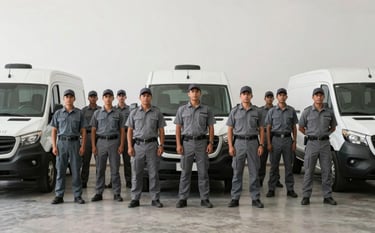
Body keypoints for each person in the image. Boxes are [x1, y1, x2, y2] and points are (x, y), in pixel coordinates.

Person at [175, 84, 216, 208]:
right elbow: (178, 128)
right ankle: (182, 198)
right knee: (185, 172)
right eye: (192, 91)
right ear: (188, 94)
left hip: (202, 143)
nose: (195, 93)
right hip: (187, 143)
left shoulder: (207, 110)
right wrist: (178, 144)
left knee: (203, 172)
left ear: (200, 94)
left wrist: (210, 142)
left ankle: (205, 199)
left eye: (197, 91)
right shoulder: (182, 110)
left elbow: (211, 128)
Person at [126, 87, 166, 208]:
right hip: (137, 146)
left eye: (148, 95)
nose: (146, 97)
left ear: (151, 97)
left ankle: (155, 198)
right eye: (143, 95)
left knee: (153, 173)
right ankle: (135, 198)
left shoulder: (157, 112)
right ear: (140, 97)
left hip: (152, 145)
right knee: (136, 173)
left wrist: (161, 145)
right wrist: (129, 146)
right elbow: (129, 131)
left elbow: (161, 130)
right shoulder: (134, 113)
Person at [227, 86, 265, 208]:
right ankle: (235, 198)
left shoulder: (257, 111)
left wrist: (261, 144)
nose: (246, 96)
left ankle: (255, 198)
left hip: (253, 143)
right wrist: (230, 146)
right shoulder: (234, 111)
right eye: (244, 94)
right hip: (238, 143)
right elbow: (230, 129)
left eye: (248, 94)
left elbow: (261, 130)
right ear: (240, 96)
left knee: (254, 171)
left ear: (251, 96)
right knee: (237, 171)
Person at [299, 88, 337, 205]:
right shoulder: (307, 112)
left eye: (321, 95)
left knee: (327, 171)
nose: (319, 97)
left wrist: (325, 135)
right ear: (313, 97)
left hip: (325, 144)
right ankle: (306, 196)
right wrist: (310, 135)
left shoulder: (329, 112)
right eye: (316, 95)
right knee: (309, 170)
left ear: (323, 97)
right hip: (312, 144)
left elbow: (333, 127)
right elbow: (301, 127)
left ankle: (327, 196)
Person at [50, 89, 86, 204]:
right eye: (66, 97)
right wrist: (54, 146)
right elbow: (54, 131)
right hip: (61, 144)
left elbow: (84, 131)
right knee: (60, 170)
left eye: (71, 97)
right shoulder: (58, 113)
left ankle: (77, 195)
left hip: (75, 143)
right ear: (63, 99)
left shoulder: (79, 113)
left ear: (74, 99)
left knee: (75, 170)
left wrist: (83, 146)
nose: (68, 99)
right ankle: (59, 195)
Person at [90, 89, 125, 202]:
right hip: (101, 143)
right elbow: (93, 130)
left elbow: (122, 130)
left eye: (110, 96)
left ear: (113, 98)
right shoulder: (97, 113)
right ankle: (99, 193)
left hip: (114, 142)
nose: (108, 98)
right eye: (106, 96)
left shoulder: (118, 113)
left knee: (115, 169)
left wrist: (121, 145)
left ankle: (117, 193)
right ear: (103, 98)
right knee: (100, 169)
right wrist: (94, 146)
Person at [265, 88, 298, 198]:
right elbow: (268, 128)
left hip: (288, 140)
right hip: (275, 140)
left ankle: (290, 189)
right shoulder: (272, 111)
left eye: (284, 95)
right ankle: (271, 189)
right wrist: (269, 143)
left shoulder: (291, 111)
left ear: (286, 97)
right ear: (277, 97)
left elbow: (294, 127)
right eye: (280, 95)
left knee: (289, 166)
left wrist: (294, 141)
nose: (282, 97)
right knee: (274, 166)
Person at [106, 89, 131, 189]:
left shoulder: (130, 110)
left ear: (125, 97)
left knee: (127, 161)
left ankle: (129, 181)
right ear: (116, 97)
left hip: (126, 135)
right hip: (115, 137)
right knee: (114, 162)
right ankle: (113, 182)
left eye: (123, 95)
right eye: (119, 95)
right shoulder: (113, 110)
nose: (121, 97)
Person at [259, 91, 283, 188]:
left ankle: (276, 180)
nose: (269, 99)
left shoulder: (276, 109)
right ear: (265, 98)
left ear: (273, 99)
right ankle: (260, 179)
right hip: (264, 136)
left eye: (271, 97)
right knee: (262, 160)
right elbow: (257, 124)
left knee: (275, 160)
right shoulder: (260, 110)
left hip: (275, 135)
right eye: (267, 97)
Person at [81, 90, 101, 188]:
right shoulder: (84, 111)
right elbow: (81, 125)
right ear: (88, 98)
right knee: (85, 160)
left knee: (99, 161)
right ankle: (83, 181)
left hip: (99, 136)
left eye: (94, 96)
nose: (93, 98)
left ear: (97, 98)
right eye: (91, 96)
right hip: (88, 136)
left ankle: (99, 182)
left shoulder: (101, 110)